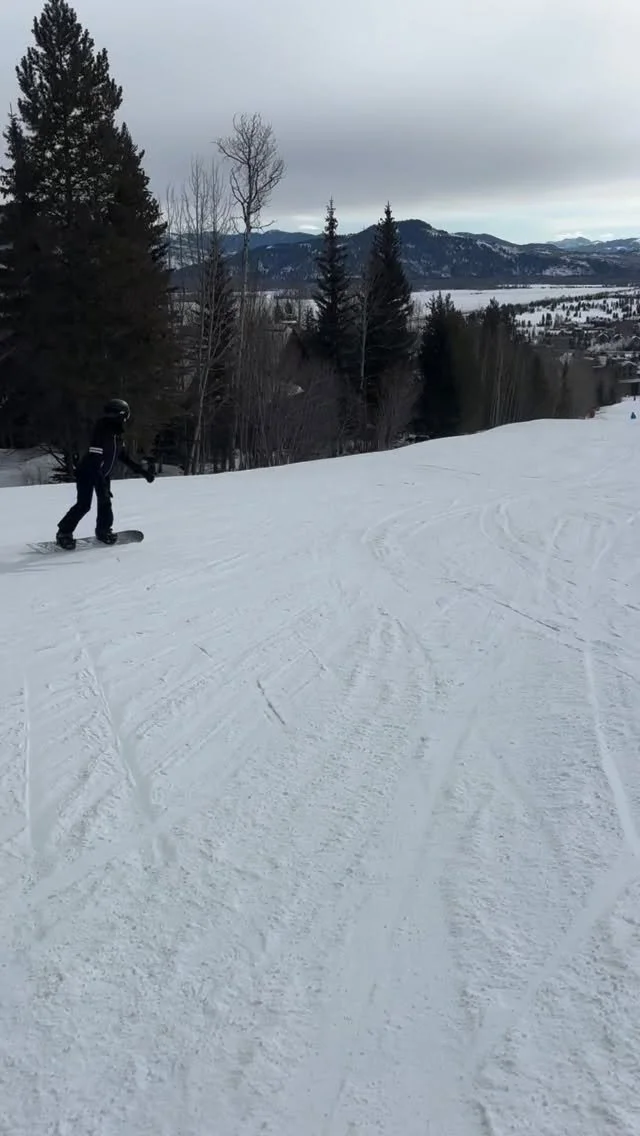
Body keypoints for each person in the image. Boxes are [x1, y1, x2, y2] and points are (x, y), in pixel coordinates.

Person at [56, 399, 155, 549]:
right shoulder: (102, 431)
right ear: (122, 415)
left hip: (102, 473)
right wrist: (101, 482)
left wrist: (142, 471)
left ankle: (103, 531)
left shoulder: (117, 435)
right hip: (88, 472)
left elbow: (122, 456)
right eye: (126, 415)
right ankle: (64, 533)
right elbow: (94, 459)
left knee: (105, 502)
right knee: (84, 505)